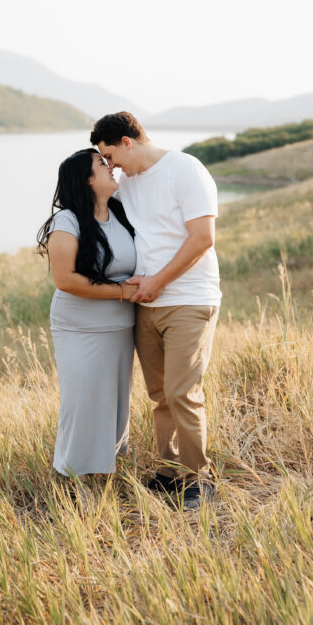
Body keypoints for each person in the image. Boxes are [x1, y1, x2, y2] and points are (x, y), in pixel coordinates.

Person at [89, 112, 221, 510]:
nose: (110, 165)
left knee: (183, 392)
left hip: (188, 298)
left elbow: (203, 239)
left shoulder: (186, 169)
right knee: (160, 395)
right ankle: (168, 472)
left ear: (127, 142)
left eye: (110, 155)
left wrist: (158, 281)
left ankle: (200, 479)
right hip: (145, 305)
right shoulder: (125, 184)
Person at [37, 148, 138, 479]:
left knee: (113, 401)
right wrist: (121, 292)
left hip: (121, 326)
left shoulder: (121, 213)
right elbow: (65, 279)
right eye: (101, 163)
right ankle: (69, 477)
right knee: (82, 402)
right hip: (79, 326)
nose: (110, 167)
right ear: (86, 179)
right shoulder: (66, 220)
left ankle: (103, 470)